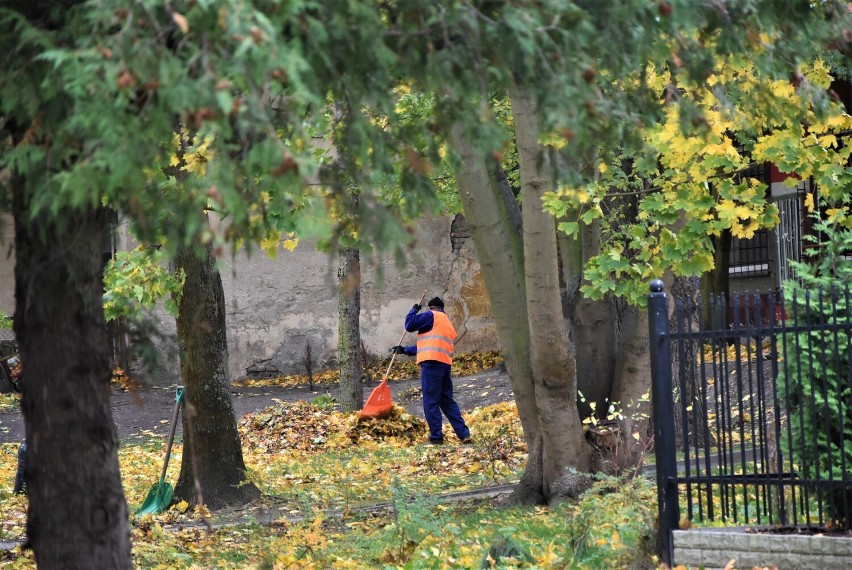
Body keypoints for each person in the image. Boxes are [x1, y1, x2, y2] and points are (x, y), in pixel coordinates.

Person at [392, 296, 471, 445]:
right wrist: (404, 350)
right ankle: (464, 434)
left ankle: (436, 438)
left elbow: (409, 325)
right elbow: (427, 344)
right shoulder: (447, 323)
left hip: (431, 364)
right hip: (444, 365)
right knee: (447, 401)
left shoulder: (430, 315)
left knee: (431, 401)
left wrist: (414, 310)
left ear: (431, 308)